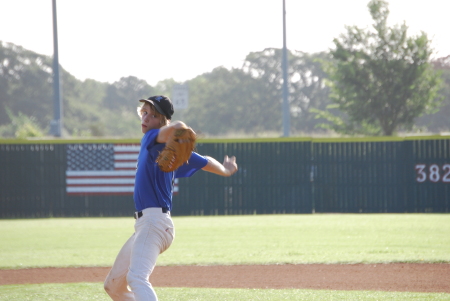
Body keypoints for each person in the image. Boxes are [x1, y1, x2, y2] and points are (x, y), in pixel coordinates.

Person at [104, 95, 238, 301]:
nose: (146, 118)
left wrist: (178, 127)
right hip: (147, 226)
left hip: (154, 223)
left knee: (137, 278)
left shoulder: (151, 137)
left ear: (162, 121)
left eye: (153, 115)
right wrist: (225, 170)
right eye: (144, 112)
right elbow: (206, 161)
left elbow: (176, 130)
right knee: (113, 287)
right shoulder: (173, 150)